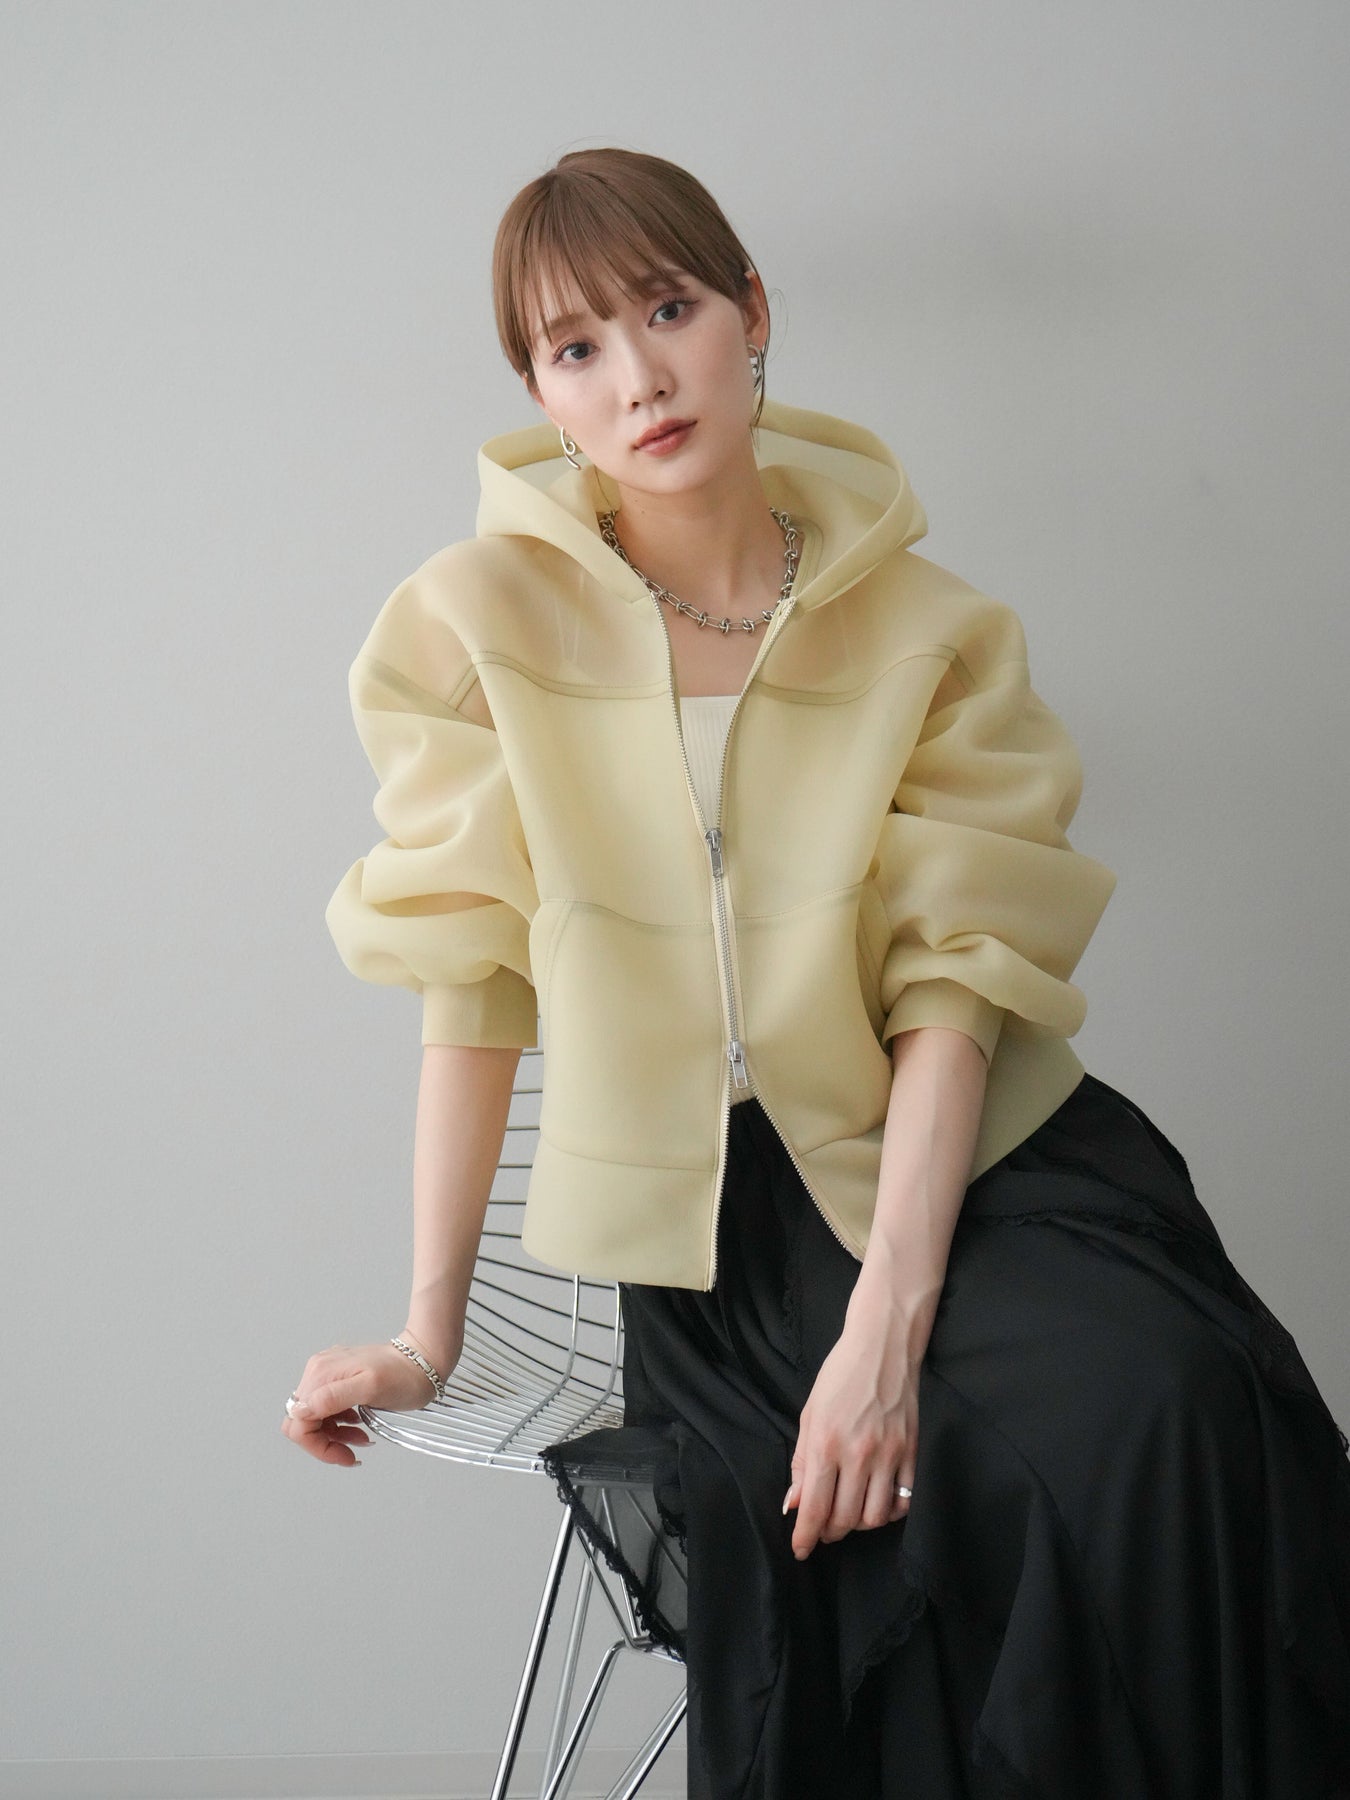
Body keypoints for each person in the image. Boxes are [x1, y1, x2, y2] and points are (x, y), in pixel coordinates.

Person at [283, 148, 1350, 1797]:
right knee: (946, 1498)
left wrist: (886, 1329)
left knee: (1173, 1405)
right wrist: (428, 1335)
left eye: (668, 311)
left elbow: (953, 990)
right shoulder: (470, 627)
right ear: (538, 393)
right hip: (723, 1241)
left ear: (750, 314)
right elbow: (472, 984)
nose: (638, 379)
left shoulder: (928, 627)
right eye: (576, 347)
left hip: (975, 1172)